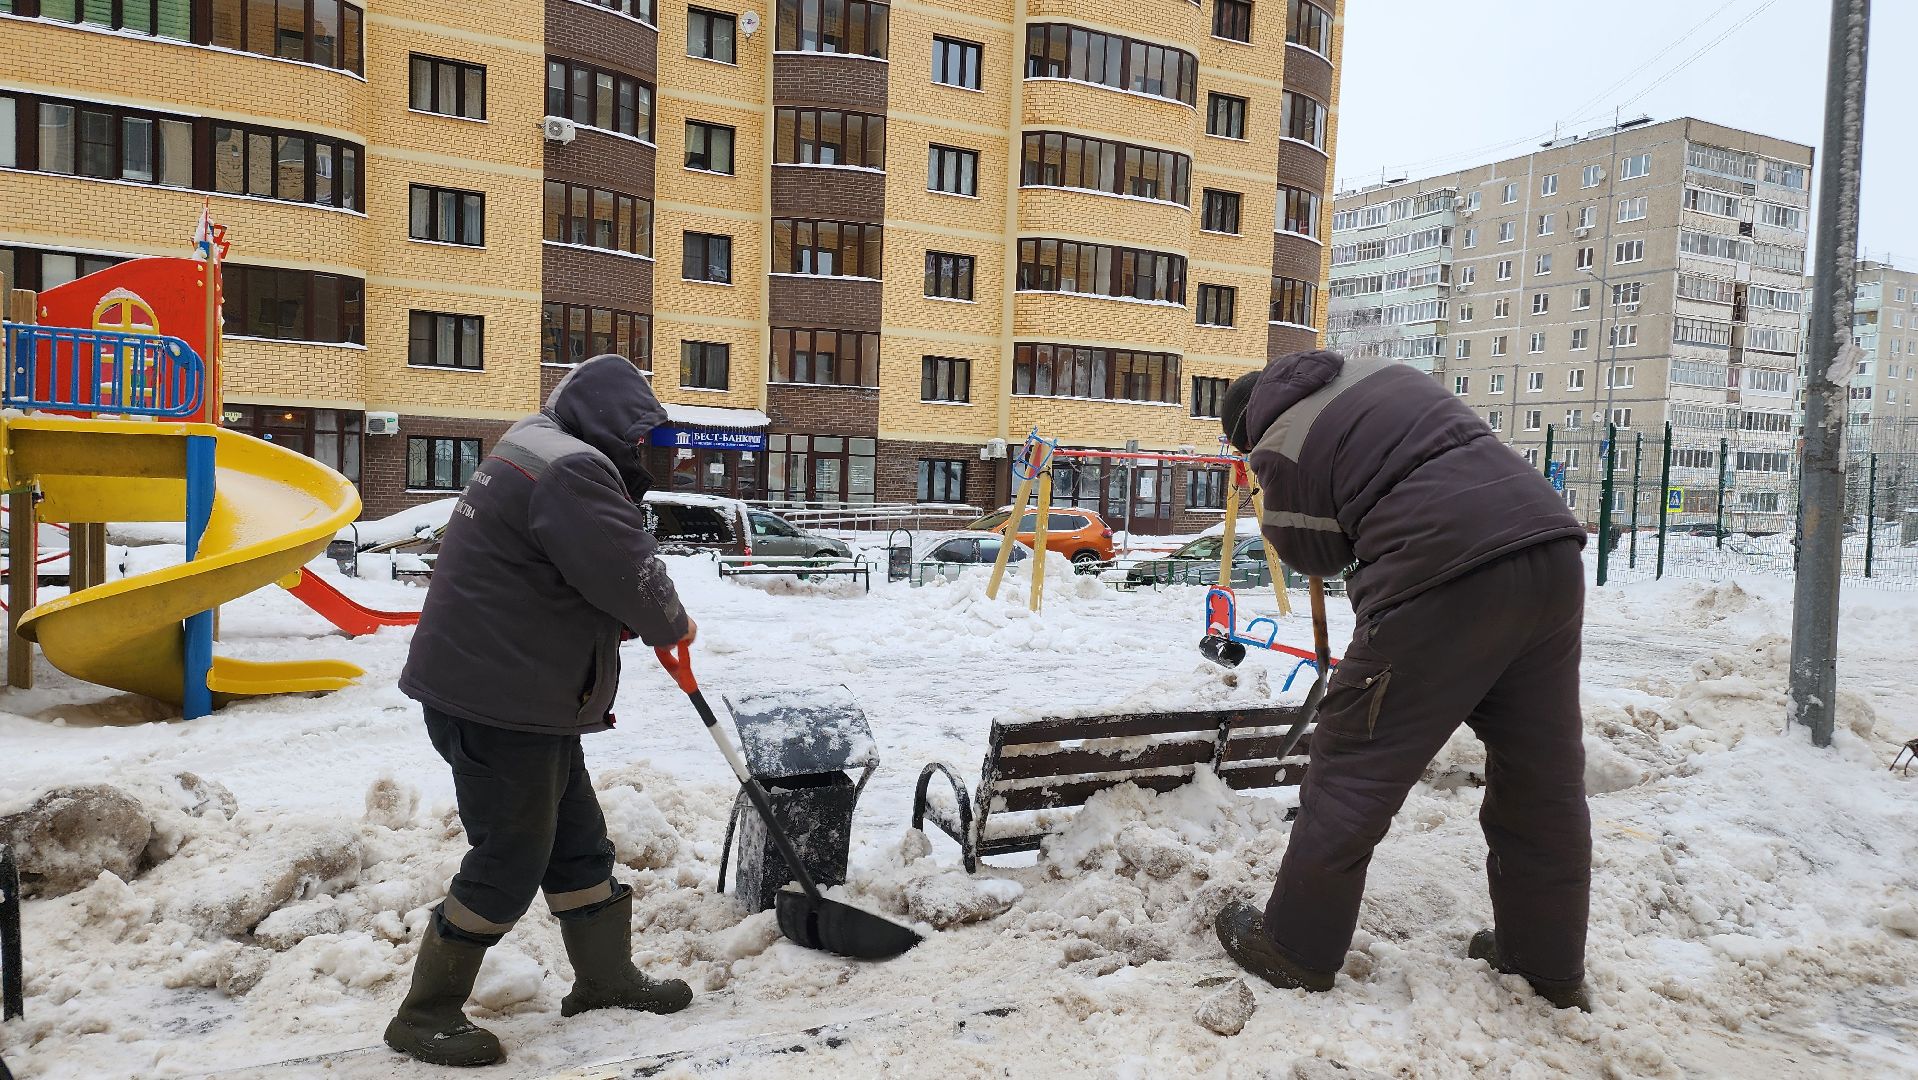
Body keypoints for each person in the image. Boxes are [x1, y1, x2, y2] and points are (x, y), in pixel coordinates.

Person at [1212, 349, 1594, 1011]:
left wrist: (1266, 487)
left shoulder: (1282, 439)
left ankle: (1294, 949)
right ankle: (1544, 965)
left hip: (1443, 573)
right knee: (1542, 777)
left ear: (1248, 431)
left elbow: (1310, 548)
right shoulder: (1377, 376)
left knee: (1352, 764)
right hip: (1548, 551)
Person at [387, 354, 697, 1066]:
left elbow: (550, 570)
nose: (651, 458)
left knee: (577, 839)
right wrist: (669, 624)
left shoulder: (537, 444)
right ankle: (424, 1012)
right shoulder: (572, 470)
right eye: (645, 443)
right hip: (499, 700)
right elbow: (629, 571)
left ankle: (603, 978)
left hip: (518, 692)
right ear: (620, 429)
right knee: (511, 856)